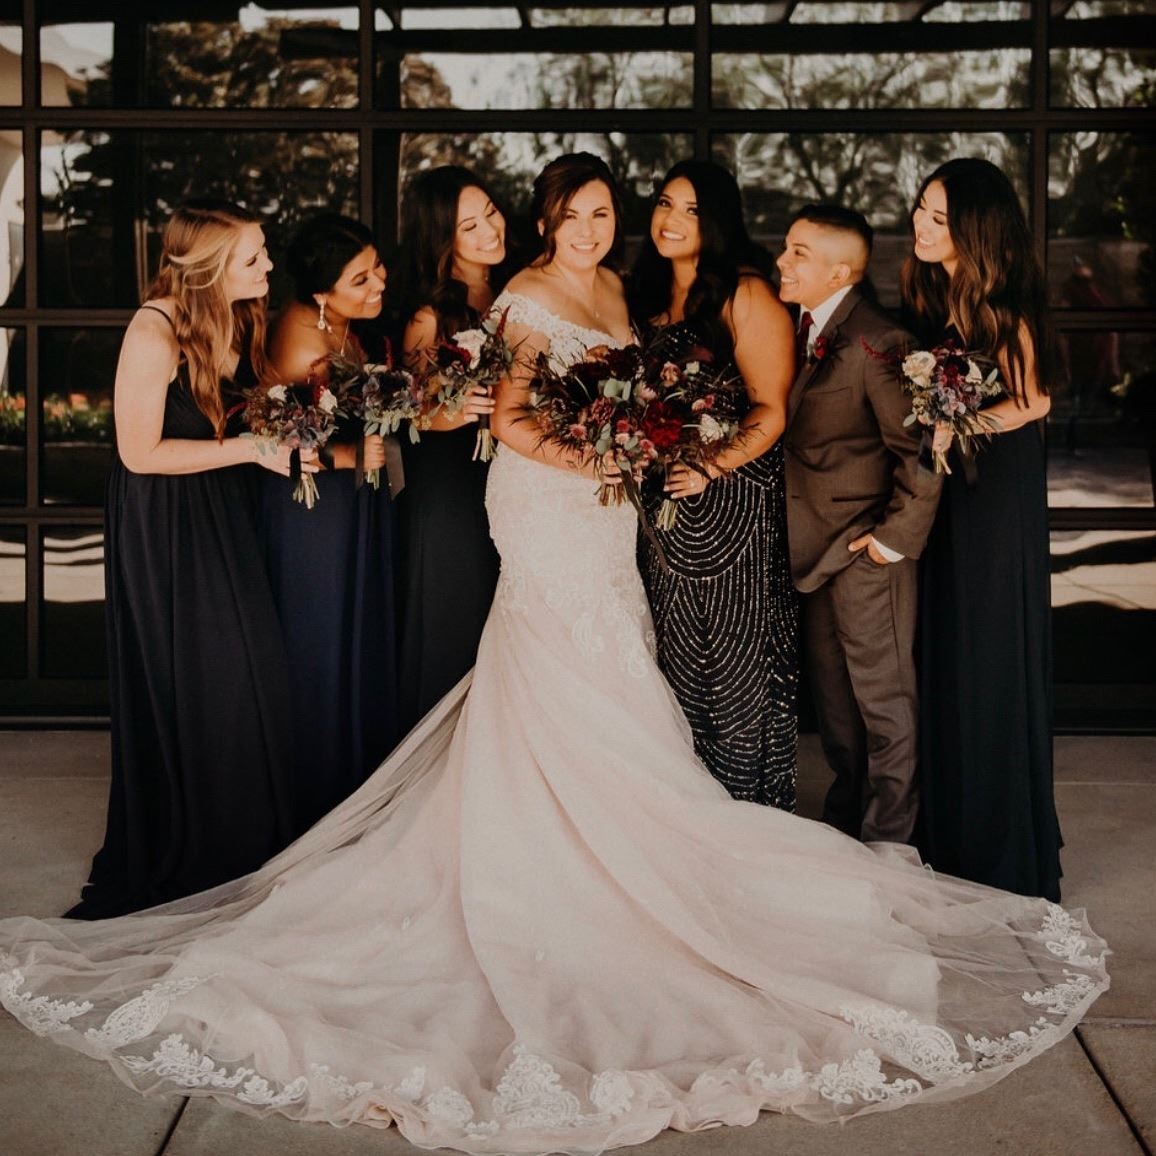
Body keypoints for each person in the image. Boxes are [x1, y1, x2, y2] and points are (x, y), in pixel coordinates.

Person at [0, 160, 1108, 1154]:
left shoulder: (625, 294)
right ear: (547, 222)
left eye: (605, 214)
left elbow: (653, 397)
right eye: (577, 214)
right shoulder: (524, 299)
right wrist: (608, 448)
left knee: (618, 661)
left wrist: (637, 444)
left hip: (608, 508)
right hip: (544, 500)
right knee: (550, 656)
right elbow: (514, 422)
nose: (594, 229)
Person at [65, 199, 310, 919]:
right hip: (164, 519)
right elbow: (137, 452)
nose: (269, 267)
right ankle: (196, 846)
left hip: (218, 509)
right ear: (209, 267)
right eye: (254, 257)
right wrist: (252, 450)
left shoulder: (235, 319)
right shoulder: (155, 329)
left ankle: (244, 841)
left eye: (265, 252)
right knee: (203, 675)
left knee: (247, 671)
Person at [902, 157, 1062, 900]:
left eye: (938, 217)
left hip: (997, 500)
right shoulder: (941, 298)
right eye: (921, 212)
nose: (921, 227)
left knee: (991, 653)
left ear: (974, 227)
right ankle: (954, 828)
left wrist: (956, 421)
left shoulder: (1004, 305)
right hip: (957, 493)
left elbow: (1034, 402)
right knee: (951, 648)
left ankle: (1001, 845)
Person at [628, 160, 798, 808]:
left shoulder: (744, 294)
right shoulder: (644, 296)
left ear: (718, 220)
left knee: (736, 663)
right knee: (674, 659)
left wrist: (709, 464)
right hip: (662, 506)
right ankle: (690, 820)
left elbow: (771, 408)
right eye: (665, 203)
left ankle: (748, 817)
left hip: (733, 504)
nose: (672, 220)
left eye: (692, 210)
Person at [777, 204, 942, 844]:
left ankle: (891, 849)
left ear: (840, 270)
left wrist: (891, 544)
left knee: (884, 708)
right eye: (788, 248)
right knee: (838, 717)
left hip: (865, 553)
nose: (783, 261)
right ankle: (847, 834)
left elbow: (923, 453)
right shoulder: (796, 327)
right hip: (811, 556)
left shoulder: (880, 340)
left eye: (798, 254)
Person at [260, 212, 399, 834]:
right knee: (320, 636)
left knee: (352, 626)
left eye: (377, 268)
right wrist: (347, 454)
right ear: (321, 293)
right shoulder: (300, 339)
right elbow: (279, 437)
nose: (379, 283)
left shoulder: (342, 325)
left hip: (349, 500)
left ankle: (351, 779)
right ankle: (314, 794)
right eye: (361, 277)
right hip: (312, 510)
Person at [388, 166, 506, 735]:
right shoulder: (429, 314)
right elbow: (406, 413)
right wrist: (457, 411)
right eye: (469, 224)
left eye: (490, 211)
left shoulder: (518, 290)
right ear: (443, 238)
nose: (489, 229)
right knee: (455, 623)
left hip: (512, 482)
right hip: (450, 490)